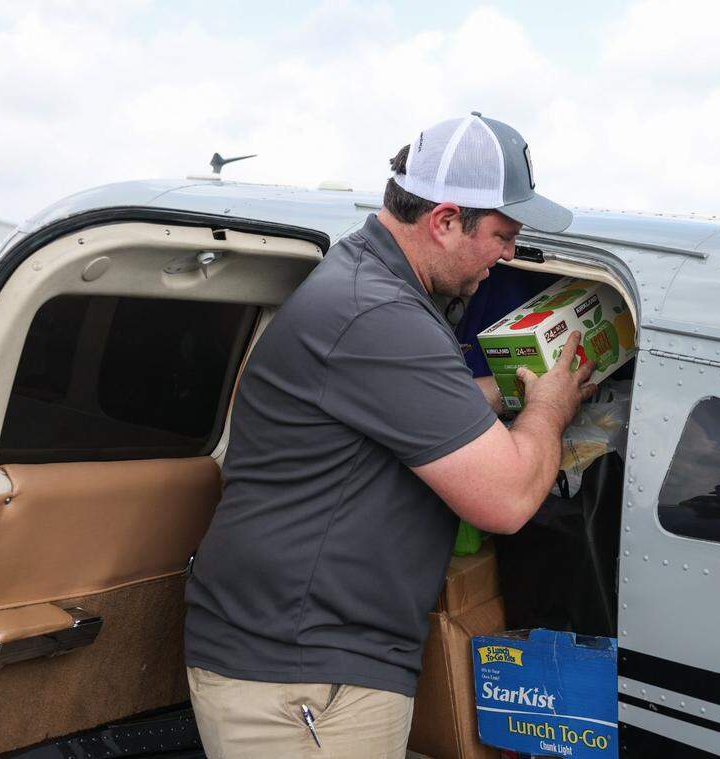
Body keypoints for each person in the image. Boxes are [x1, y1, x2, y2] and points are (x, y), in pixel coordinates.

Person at [183, 113, 594, 757]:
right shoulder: (378, 314)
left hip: (307, 664)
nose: (509, 254)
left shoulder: (368, 286)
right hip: (303, 682)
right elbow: (508, 499)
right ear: (445, 219)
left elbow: (428, 407)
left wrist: (524, 391)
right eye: (502, 234)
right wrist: (549, 408)